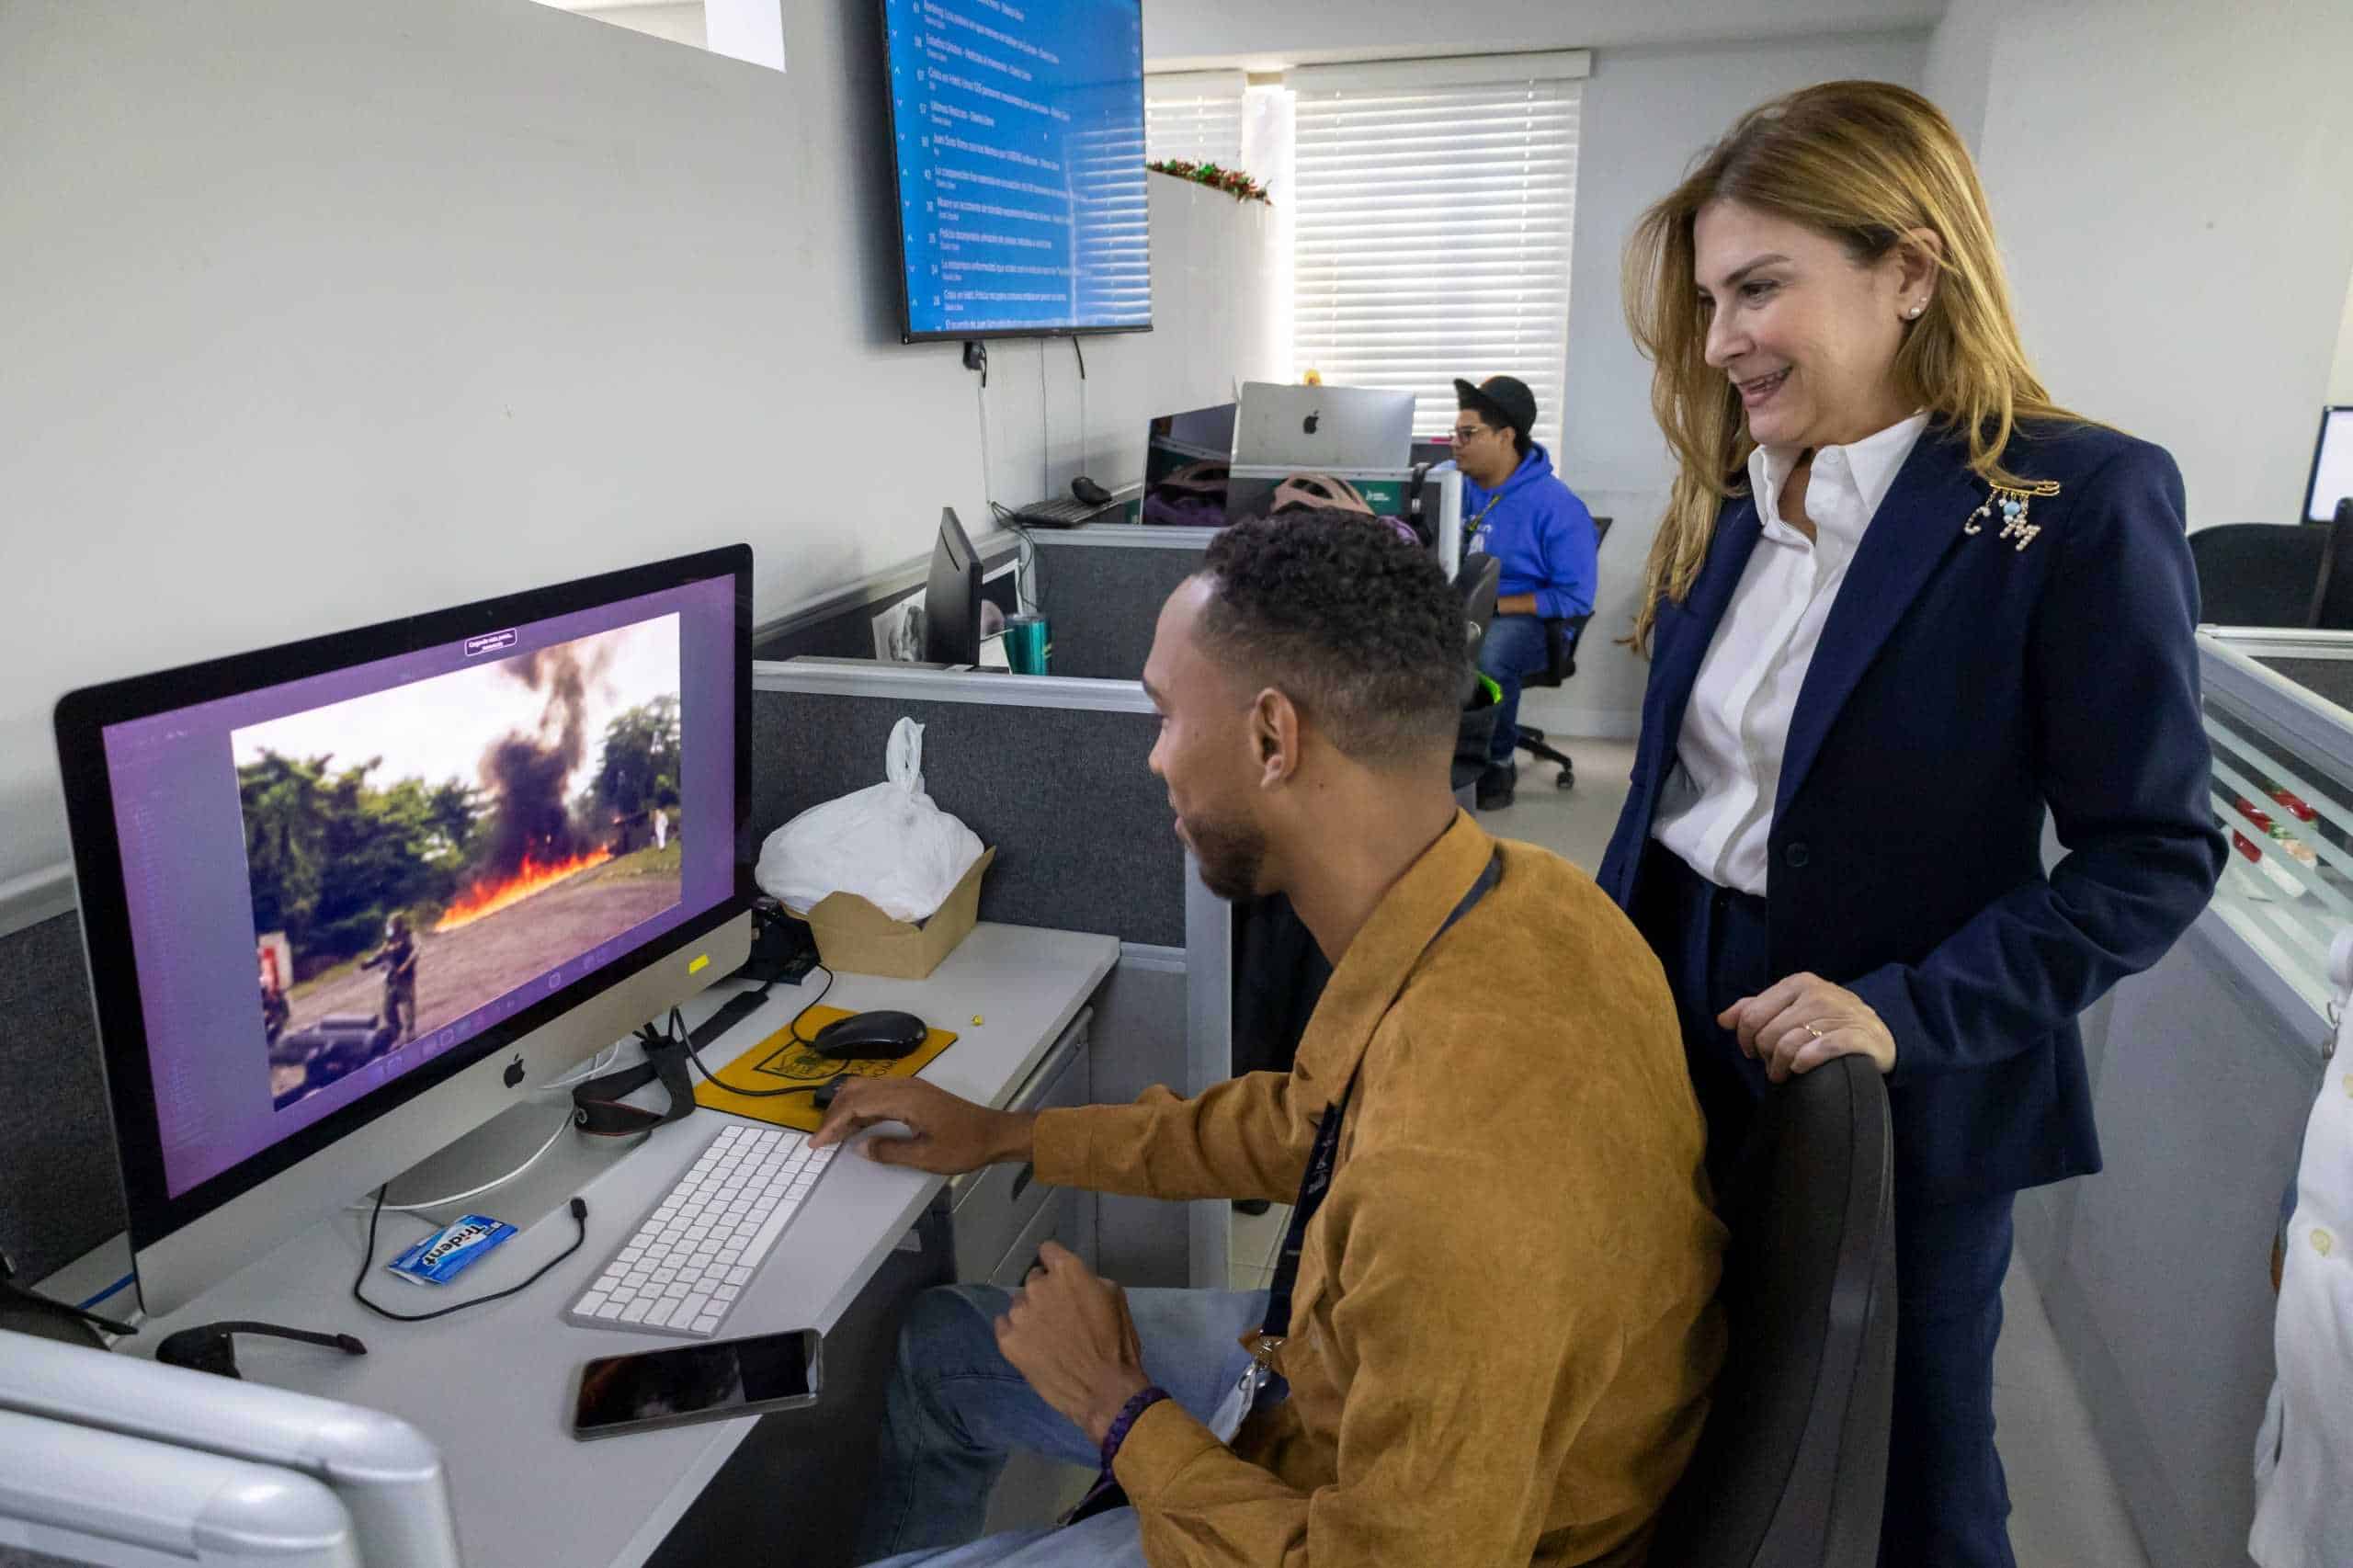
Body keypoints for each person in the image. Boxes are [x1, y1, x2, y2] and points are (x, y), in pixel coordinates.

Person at [822, 514, 1723, 1568]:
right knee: (945, 1347)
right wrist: (1007, 1133)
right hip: (1341, 1384)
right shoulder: (1520, 904)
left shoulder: (1453, 1183)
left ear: (1271, 738)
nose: (1154, 758)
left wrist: (1122, 1411)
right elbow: (1308, 1121)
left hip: (1387, 1529)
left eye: (1164, 717)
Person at [1593, 81, 2226, 1567]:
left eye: (1760, 289)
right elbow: (1677, 800)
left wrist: (1907, 1014)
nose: (1719, 339)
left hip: (1895, 1054)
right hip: (1679, 1004)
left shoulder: (2074, 500)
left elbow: (2156, 855)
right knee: (1692, 1407)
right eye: (1706, 299)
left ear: (1913, 271)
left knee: (1915, 1463)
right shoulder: (1737, 491)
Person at [1449, 374, 1599, 811]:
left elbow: (1576, 598)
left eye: (1468, 433)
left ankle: (1496, 762)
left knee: (1489, 654)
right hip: (1457, 607)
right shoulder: (1449, 484)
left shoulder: (1557, 506)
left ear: (1506, 436)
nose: (1455, 443)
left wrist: (1491, 605)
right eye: (1454, 433)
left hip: (1530, 621)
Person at [359, 913, 419, 1043]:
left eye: (391, 924)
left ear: (398, 925)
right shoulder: (389, 941)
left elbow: (415, 952)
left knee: (408, 1007)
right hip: (391, 980)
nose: (389, 927)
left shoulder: (409, 936)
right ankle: (396, 1031)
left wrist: (405, 966)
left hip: (405, 979)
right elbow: (380, 954)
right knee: (388, 1009)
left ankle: (410, 1032)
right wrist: (368, 963)